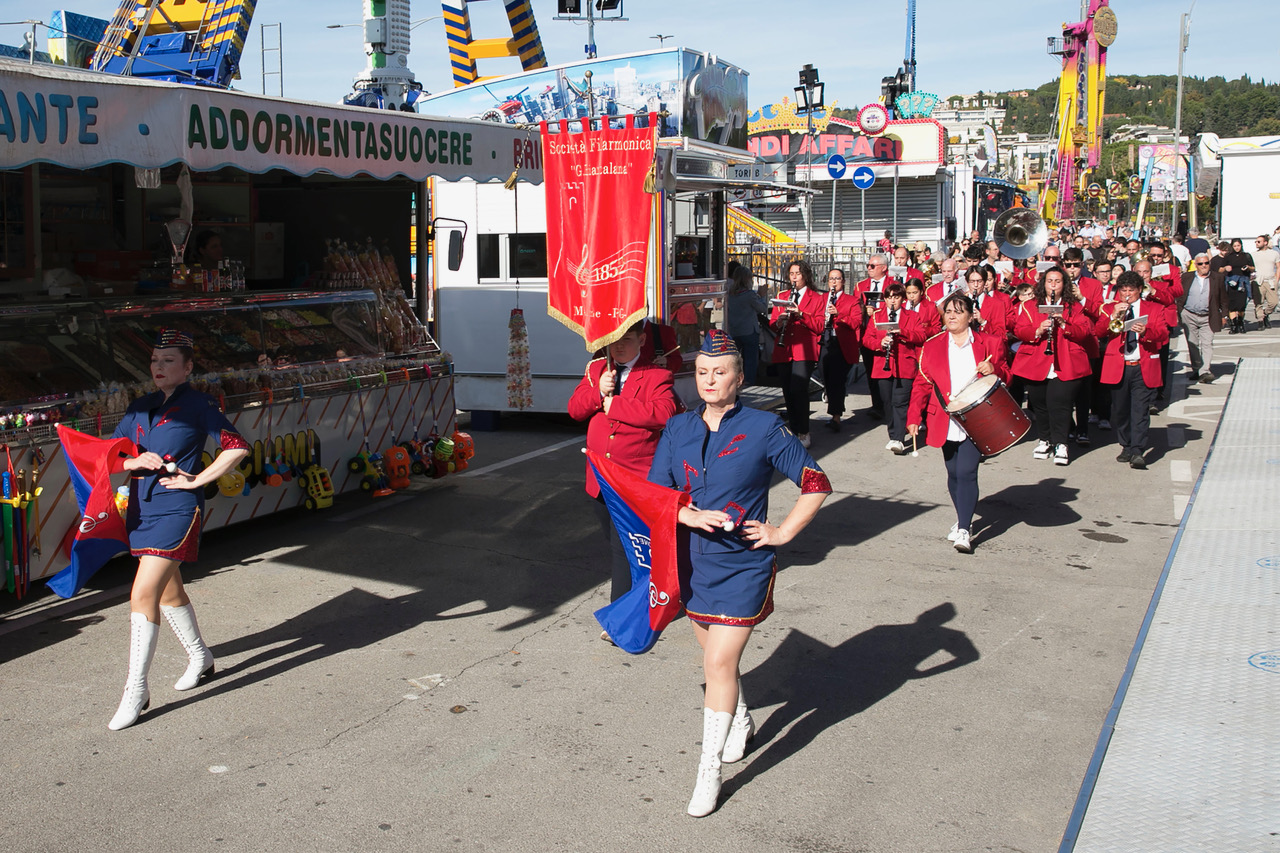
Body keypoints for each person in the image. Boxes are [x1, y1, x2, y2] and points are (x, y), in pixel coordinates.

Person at [648, 331, 831, 817]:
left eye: (721, 371)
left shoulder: (764, 427)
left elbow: (815, 482)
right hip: (691, 560)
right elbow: (656, 495)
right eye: (703, 372)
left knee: (718, 664)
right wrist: (686, 516)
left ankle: (708, 771)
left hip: (744, 564)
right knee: (713, 656)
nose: (710, 380)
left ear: (739, 376)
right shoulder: (677, 428)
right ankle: (742, 717)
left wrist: (782, 533)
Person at [106, 329, 250, 731]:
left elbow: (237, 446)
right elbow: (111, 455)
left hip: (177, 508)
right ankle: (200, 657)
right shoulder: (139, 406)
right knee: (170, 589)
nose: (158, 367)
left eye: (168, 361)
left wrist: (198, 480)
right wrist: (131, 464)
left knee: (142, 592)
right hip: (140, 509)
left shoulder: (200, 404)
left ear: (187, 368)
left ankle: (136, 690)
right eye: (154, 360)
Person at [569, 321, 682, 618]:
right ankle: (651, 593)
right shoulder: (597, 370)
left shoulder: (657, 373)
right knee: (621, 544)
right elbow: (574, 409)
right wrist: (598, 392)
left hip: (633, 480)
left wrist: (614, 404)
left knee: (623, 548)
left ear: (642, 339)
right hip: (599, 478)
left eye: (627, 340)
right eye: (614, 340)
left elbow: (663, 413)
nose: (619, 347)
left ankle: (620, 616)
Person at [906, 294, 1009, 554]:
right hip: (944, 417)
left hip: (978, 415)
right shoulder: (932, 345)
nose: (952, 316)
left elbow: (1008, 373)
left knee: (966, 472)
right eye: (948, 311)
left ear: (970, 316)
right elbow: (922, 384)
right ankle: (962, 515)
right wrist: (913, 418)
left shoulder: (991, 343)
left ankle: (964, 527)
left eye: (958, 311)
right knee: (953, 473)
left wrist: (994, 368)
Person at [1011, 266, 1094, 466]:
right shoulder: (1031, 305)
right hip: (1036, 361)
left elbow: (1084, 331)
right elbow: (1019, 329)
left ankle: (1061, 443)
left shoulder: (1073, 306)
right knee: (1040, 404)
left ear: (1064, 284)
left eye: (1058, 281)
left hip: (1065, 361)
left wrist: (1065, 325)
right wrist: (1038, 329)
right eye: (1050, 281)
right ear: (1043, 284)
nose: (1053, 285)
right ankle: (1045, 439)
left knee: (1060, 404)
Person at [1095, 271, 1170, 470]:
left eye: (1131, 291)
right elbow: (1099, 331)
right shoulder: (1110, 308)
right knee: (1120, 411)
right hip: (1118, 366)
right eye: (1123, 291)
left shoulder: (1154, 308)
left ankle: (1137, 450)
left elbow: (1163, 333)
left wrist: (1146, 332)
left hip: (1142, 365)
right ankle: (1126, 445)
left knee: (1140, 410)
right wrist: (1113, 315)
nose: (1127, 295)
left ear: (1139, 290)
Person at [862, 282, 926, 453]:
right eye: (889, 297)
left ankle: (897, 438)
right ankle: (894, 432)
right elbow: (866, 339)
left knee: (900, 402)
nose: (892, 301)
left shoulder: (912, 316)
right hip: (884, 364)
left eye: (896, 297)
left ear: (902, 299)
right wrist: (880, 343)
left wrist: (902, 332)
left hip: (904, 364)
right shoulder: (877, 316)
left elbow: (921, 336)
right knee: (887, 402)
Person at [768, 260, 826, 448]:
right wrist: (779, 321)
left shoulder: (816, 298)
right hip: (784, 349)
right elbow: (772, 323)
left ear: (806, 276)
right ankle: (793, 429)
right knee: (787, 390)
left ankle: (804, 430)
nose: (794, 277)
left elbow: (818, 327)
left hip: (804, 350)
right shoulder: (782, 295)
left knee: (799, 389)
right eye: (791, 274)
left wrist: (801, 314)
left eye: (798, 274)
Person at [820, 267, 864, 432]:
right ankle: (833, 403)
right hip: (824, 340)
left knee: (837, 380)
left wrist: (838, 314)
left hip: (841, 342)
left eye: (837, 279)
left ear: (843, 282)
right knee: (825, 375)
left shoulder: (851, 301)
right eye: (831, 279)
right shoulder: (822, 298)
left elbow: (856, 323)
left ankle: (835, 415)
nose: (834, 282)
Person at [1178, 254, 1230, 383]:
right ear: (1195, 265)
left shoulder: (1217, 278)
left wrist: (1224, 315)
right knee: (1192, 343)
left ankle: (1205, 371)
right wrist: (1180, 312)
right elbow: (1179, 296)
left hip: (1208, 315)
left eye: (1206, 263)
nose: (1204, 266)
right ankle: (1197, 369)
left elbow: (1224, 298)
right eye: (1200, 264)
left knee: (1207, 343)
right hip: (1189, 314)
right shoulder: (1186, 277)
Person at [854, 255, 893, 419]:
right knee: (871, 371)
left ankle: (889, 405)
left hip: (887, 332)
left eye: (872, 266)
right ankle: (877, 405)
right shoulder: (861, 286)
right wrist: (864, 310)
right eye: (868, 265)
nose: (868, 268)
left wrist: (878, 312)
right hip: (868, 333)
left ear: (883, 267)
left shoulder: (893, 284)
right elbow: (855, 307)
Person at [725, 264, 768, 385]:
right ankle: (749, 381)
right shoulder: (749, 295)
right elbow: (762, 308)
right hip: (749, 330)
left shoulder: (729, 294)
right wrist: (762, 296)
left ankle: (734, 381)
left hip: (735, 330)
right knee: (750, 360)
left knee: (735, 359)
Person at [1220, 238, 1255, 333]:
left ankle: (1240, 322)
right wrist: (1225, 268)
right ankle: (1233, 325)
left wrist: (1248, 267)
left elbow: (1253, 268)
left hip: (1243, 282)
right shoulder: (1228, 257)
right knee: (1232, 305)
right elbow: (1220, 269)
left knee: (1241, 305)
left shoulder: (1246, 256)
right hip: (1231, 283)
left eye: (1238, 246)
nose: (1236, 248)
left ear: (1241, 246)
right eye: (1234, 246)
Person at [1251, 234, 1279, 329]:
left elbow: (1278, 267)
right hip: (1258, 280)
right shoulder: (1253, 254)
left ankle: (1265, 314)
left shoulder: (1274, 254)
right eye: (1256, 241)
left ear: (1265, 242)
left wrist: (1277, 279)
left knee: (1274, 302)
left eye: (1259, 241)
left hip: (1270, 280)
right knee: (1258, 302)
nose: (1256, 243)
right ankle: (1260, 321)